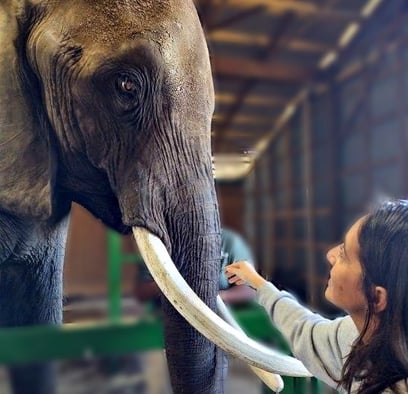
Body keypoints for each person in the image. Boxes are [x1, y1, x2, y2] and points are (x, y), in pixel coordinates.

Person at [225, 199, 408, 394]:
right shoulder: (361, 335)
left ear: (376, 297)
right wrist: (259, 283)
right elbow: (305, 329)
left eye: (344, 254)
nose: (330, 254)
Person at [135, 228, 257, 307]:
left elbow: (250, 290)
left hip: (222, 318)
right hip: (169, 319)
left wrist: (215, 298)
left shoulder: (229, 241)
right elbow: (141, 293)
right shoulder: (159, 243)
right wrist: (173, 286)